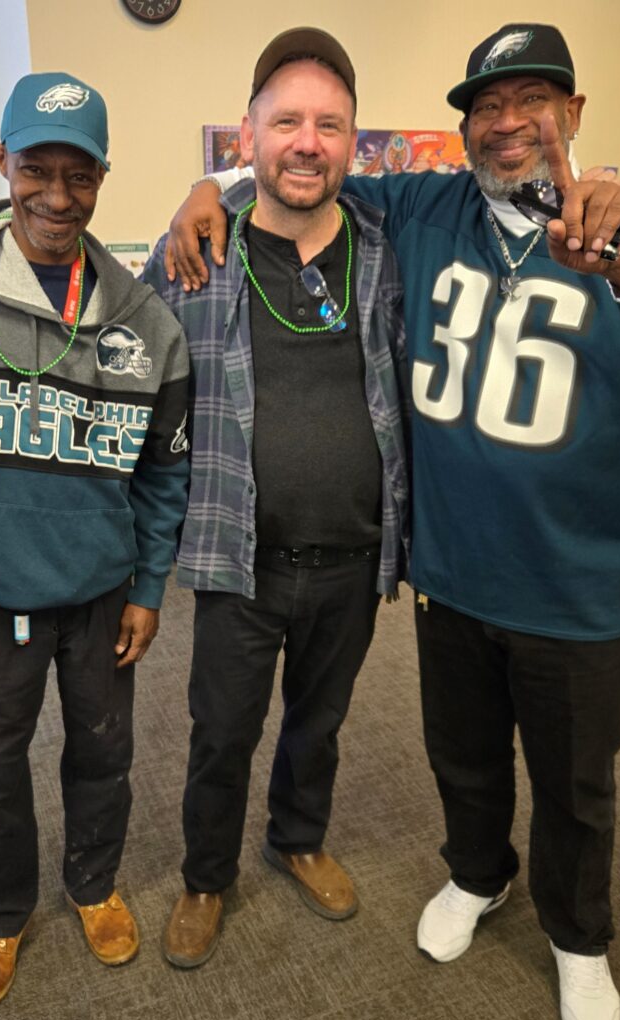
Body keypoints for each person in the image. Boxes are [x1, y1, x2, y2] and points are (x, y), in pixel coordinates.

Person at [164, 22, 620, 1020]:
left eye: (532, 101)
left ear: (572, 114)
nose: (507, 123)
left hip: (577, 584)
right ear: (465, 130)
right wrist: (206, 189)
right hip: (451, 572)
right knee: (465, 757)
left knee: (575, 783)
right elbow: (294, 179)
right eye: (486, 106)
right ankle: (480, 875)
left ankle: (578, 938)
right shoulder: (426, 204)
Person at [0, 71, 190, 1010]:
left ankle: (93, 886)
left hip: (99, 594)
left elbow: (164, 475)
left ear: (102, 175)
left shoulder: (147, 324)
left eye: (79, 174)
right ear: (1, 163)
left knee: (102, 756)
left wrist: (149, 587)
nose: (57, 196)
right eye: (36, 170)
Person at [143, 28, 409, 969]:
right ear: (247, 134)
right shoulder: (193, 253)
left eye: (328, 124)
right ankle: (206, 876)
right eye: (286, 120)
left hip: (352, 551)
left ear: (353, 141)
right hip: (237, 557)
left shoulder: (387, 246)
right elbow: (104, 331)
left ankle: (297, 837)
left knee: (319, 723)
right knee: (222, 732)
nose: (307, 141)